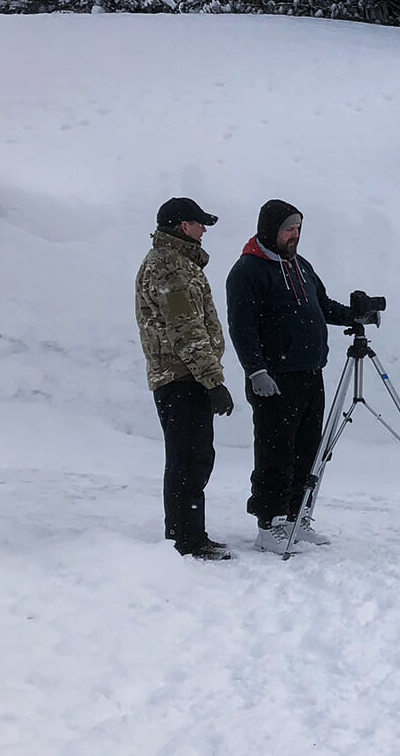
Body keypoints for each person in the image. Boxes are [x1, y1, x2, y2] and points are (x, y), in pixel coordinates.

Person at [225, 199, 368, 552]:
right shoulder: (248, 271)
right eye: (289, 229)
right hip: (274, 378)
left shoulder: (300, 266)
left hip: (309, 372)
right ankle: (269, 523)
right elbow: (241, 327)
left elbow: (322, 305)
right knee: (275, 451)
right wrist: (255, 370)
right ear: (270, 229)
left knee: (307, 449)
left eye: (299, 229)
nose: (295, 235)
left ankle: (295, 516)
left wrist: (355, 316)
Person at [135, 197, 235, 561]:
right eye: (199, 223)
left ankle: (190, 534)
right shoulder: (170, 267)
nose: (204, 229)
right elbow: (185, 329)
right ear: (182, 226)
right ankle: (185, 540)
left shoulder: (180, 263)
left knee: (195, 455)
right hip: (180, 376)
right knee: (188, 457)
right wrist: (213, 381)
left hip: (186, 374)